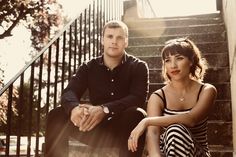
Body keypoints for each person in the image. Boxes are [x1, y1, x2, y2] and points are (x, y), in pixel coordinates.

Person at [45, 20, 149, 157]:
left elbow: (138, 97)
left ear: (126, 42)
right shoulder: (89, 67)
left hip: (121, 129)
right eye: (110, 36)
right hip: (91, 127)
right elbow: (69, 92)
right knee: (56, 114)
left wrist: (105, 109)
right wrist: (74, 108)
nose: (114, 41)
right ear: (102, 40)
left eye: (119, 37)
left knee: (137, 114)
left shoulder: (138, 66)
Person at [128, 37, 217, 157]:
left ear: (191, 61)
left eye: (179, 58)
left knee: (175, 131)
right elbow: (153, 133)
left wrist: (147, 121)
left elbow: (191, 119)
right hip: (167, 153)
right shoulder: (158, 97)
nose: (173, 65)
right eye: (167, 60)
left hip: (198, 153)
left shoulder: (207, 90)